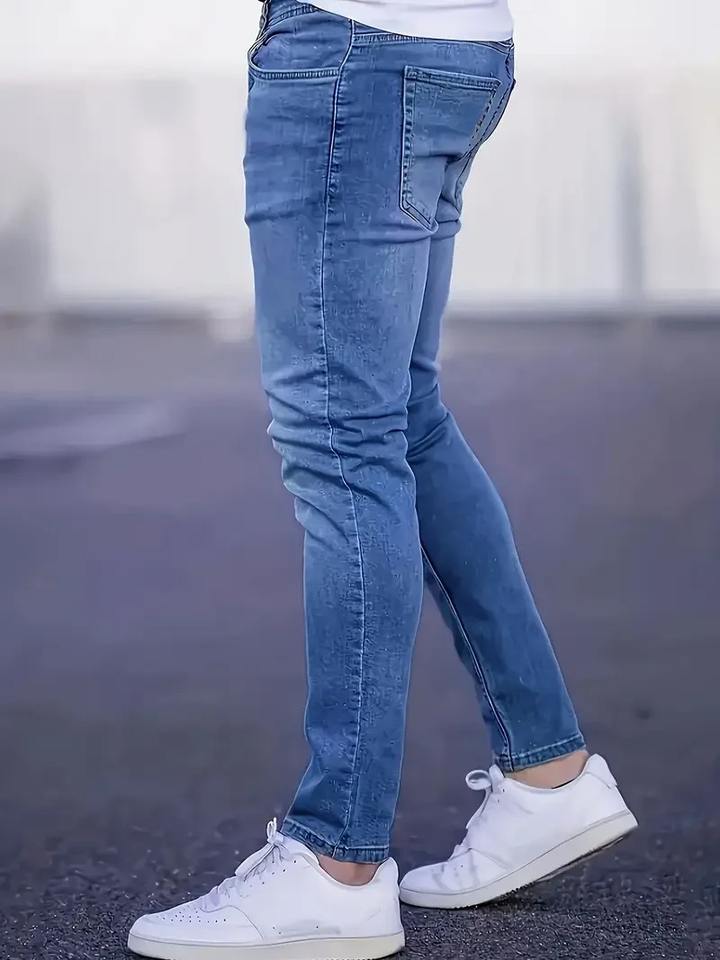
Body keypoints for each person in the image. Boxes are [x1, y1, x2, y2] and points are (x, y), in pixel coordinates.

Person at [128, 1, 637, 957]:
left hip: (350, 53)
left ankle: (336, 864)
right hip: (457, 47)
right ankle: (548, 773)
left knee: (340, 440)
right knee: (402, 420)